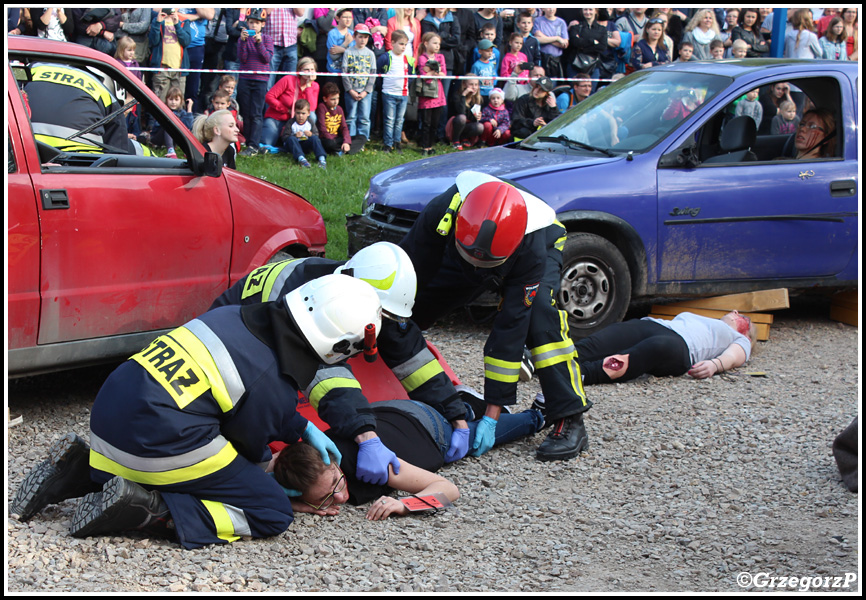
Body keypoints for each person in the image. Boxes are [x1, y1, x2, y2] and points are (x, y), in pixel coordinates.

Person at [10, 274, 382, 549]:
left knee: (193, 447)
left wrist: (300, 425)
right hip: (152, 440)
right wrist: (274, 482)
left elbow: (243, 394)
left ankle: (82, 471)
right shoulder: (273, 378)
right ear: (338, 345)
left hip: (110, 417)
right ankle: (149, 509)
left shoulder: (235, 316)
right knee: (270, 510)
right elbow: (250, 446)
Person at [388, 171, 592, 462]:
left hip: (538, 243)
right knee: (417, 299)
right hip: (465, 244)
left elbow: (511, 327)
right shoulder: (441, 213)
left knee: (539, 317)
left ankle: (569, 417)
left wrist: (492, 417)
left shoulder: (531, 247)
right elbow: (406, 274)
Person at [272, 390, 544, 519]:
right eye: (325, 498)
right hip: (385, 411)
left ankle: (540, 414)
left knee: (482, 438)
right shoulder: (294, 465)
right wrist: (302, 506)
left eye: (337, 483)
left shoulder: (370, 462)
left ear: (334, 462)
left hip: (429, 427)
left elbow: (448, 490)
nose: (341, 498)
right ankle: (463, 406)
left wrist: (407, 505)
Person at [573, 310, 756, 386]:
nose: (734, 312)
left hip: (681, 346)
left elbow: (736, 356)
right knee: (600, 341)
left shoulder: (740, 338)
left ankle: (578, 375)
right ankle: (553, 363)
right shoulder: (706, 320)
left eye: (740, 315)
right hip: (655, 326)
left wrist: (716, 365)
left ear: (745, 329)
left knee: (652, 349)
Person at [24, 62, 135, 155]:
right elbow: (119, 151)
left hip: (26, 154)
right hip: (81, 165)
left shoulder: (33, 70)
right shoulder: (102, 91)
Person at [261, 56, 319, 150]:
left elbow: (311, 108)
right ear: (299, 70)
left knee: (312, 115)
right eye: (306, 70)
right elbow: (269, 97)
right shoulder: (288, 79)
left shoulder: (315, 86)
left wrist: (309, 86)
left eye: (312, 70)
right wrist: (286, 109)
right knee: (267, 145)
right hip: (277, 118)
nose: (310, 73)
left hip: (298, 122)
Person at [237, 8, 274, 157]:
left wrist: (259, 43)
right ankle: (247, 141)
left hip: (260, 80)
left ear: (262, 25)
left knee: (256, 113)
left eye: (257, 23)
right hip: (245, 78)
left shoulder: (267, 39)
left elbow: (267, 58)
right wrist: (244, 42)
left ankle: (254, 144)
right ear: (247, 23)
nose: (253, 26)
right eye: (251, 22)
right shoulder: (242, 39)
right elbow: (242, 58)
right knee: (246, 112)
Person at [377, 29, 413, 153]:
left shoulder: (408, 59)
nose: (403, 47)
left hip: (403, 94)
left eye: (405, 44)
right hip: (388, 93)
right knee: (389, 119)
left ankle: (397, 143)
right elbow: (379, 73)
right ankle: (388, 144)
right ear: (393, 43)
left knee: (399, 120)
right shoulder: (386, 57)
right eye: (401, 44)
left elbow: (411, 76)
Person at [342, 23, 376, 149]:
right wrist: (350, 90)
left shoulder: (370, 54)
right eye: (360, 36)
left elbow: (373, 75)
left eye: (365, 37)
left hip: (365, 92)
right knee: (351, 117)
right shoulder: (348, 52)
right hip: (351, 91)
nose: (363, 40)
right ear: (354, 36)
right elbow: (344, 73)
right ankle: (351, 141)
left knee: (364, 118)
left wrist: (366, 91)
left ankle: (362, 141)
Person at [148, 9, 191, 105]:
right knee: (159, 103)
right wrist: (157, 23)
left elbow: (186, 41)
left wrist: (177, 25)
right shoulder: (157, 20)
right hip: (162, 68)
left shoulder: (184, 21)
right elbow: (153, 41)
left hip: (179, 69)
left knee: (178, 103)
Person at [416, 36, 446, 156]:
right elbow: (425, 75)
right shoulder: (422, 58)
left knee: (435, 122)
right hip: (426, 95)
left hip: (439, 94)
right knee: (426, 122)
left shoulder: (441, 57)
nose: (437, 46)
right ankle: (424, 146)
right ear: (426, 43)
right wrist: (435, 71)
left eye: (439, 43)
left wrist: (432, 71)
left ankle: (431, 145)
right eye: (434, 43)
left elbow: (443, 73)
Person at [263, 7, 304, 91]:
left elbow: (300, 12)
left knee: (290, 83)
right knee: (268, 82)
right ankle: (268, 104)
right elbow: (265, 12)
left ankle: (286, 104)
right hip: (271, 43)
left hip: (290, 43)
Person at [281, 99, 327, 169]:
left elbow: (316, 135)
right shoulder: (291, 122)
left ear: (308, 113)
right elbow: (284, 137)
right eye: (298, 113)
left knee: (315, 138)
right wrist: (295, 136)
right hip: (293, 146)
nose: (300, 116)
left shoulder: (310, 122)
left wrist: (311, 134)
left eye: (303, 113)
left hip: (305, 145)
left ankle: (321, 159)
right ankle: (301, 159)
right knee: (291, 138)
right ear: (294, 112)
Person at [151, 86, 194, 159]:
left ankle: (187, 151)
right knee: (169, 125)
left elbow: (188, 126)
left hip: (174, 139)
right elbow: (156, 127)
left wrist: (189, 109)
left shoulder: (182, 113)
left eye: (176, 100)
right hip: (159, 138)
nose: (173, 102)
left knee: (186, 130)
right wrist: (169, 119)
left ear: (181, 101)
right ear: (166, 100)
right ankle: (170, 151)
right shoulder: (163, 111)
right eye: (171, 99)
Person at [511, 75, 558, 140]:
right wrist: (532, 123)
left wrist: (553, 108)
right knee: (524, 132)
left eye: (541, 90)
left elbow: (556, 125)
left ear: (547, 93)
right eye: (536, 87)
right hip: (523, 138)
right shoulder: (523, 100)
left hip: (542, 138)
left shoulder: (550, 105)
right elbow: (516, 121)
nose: (537, 91)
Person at [565, 7, 606, 81]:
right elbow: (575, 42)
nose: (588, 12)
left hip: (594, 65)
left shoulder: (602, 29)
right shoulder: (576, 27)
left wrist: (582, 45)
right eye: (585, 9)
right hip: (575, 64)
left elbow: (602, 47)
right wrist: (593, 42)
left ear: (595, 11)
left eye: (590, 9)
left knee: (592, 91)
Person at [446, 77, 483, 150]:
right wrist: (464, 95)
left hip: (467, 125)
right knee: (462, 118)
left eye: (476, 85)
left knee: (480, 127)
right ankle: (455, 140)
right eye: (471, 84)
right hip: (454, 125)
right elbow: (461, 112)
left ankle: (464, 138)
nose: (474, 87)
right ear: (464, 84)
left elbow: (472, 119)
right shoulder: (457, 96)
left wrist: (477, 116)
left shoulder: (477, 98)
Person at [316, 82, 351, 155]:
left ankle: (341, 149)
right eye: (332, 99)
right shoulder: (322, 107)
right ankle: (341, 150)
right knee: (329, 144)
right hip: (326, 138)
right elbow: (322, 129)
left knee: (361, 138)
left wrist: (346, 142)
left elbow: (344, 127)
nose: (336, 102)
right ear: (325, 99)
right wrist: (332, 140)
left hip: (337, 139)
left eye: (337, 98)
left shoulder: (339, 109)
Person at [533, 8, 568, 79]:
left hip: (556, 61)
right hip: (542, 58)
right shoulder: (538, 21)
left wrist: (544, 37)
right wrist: (557, 38)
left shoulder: (561, 22)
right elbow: (537, 40)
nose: (551, 9)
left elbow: (564, 44)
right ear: (543, 8)